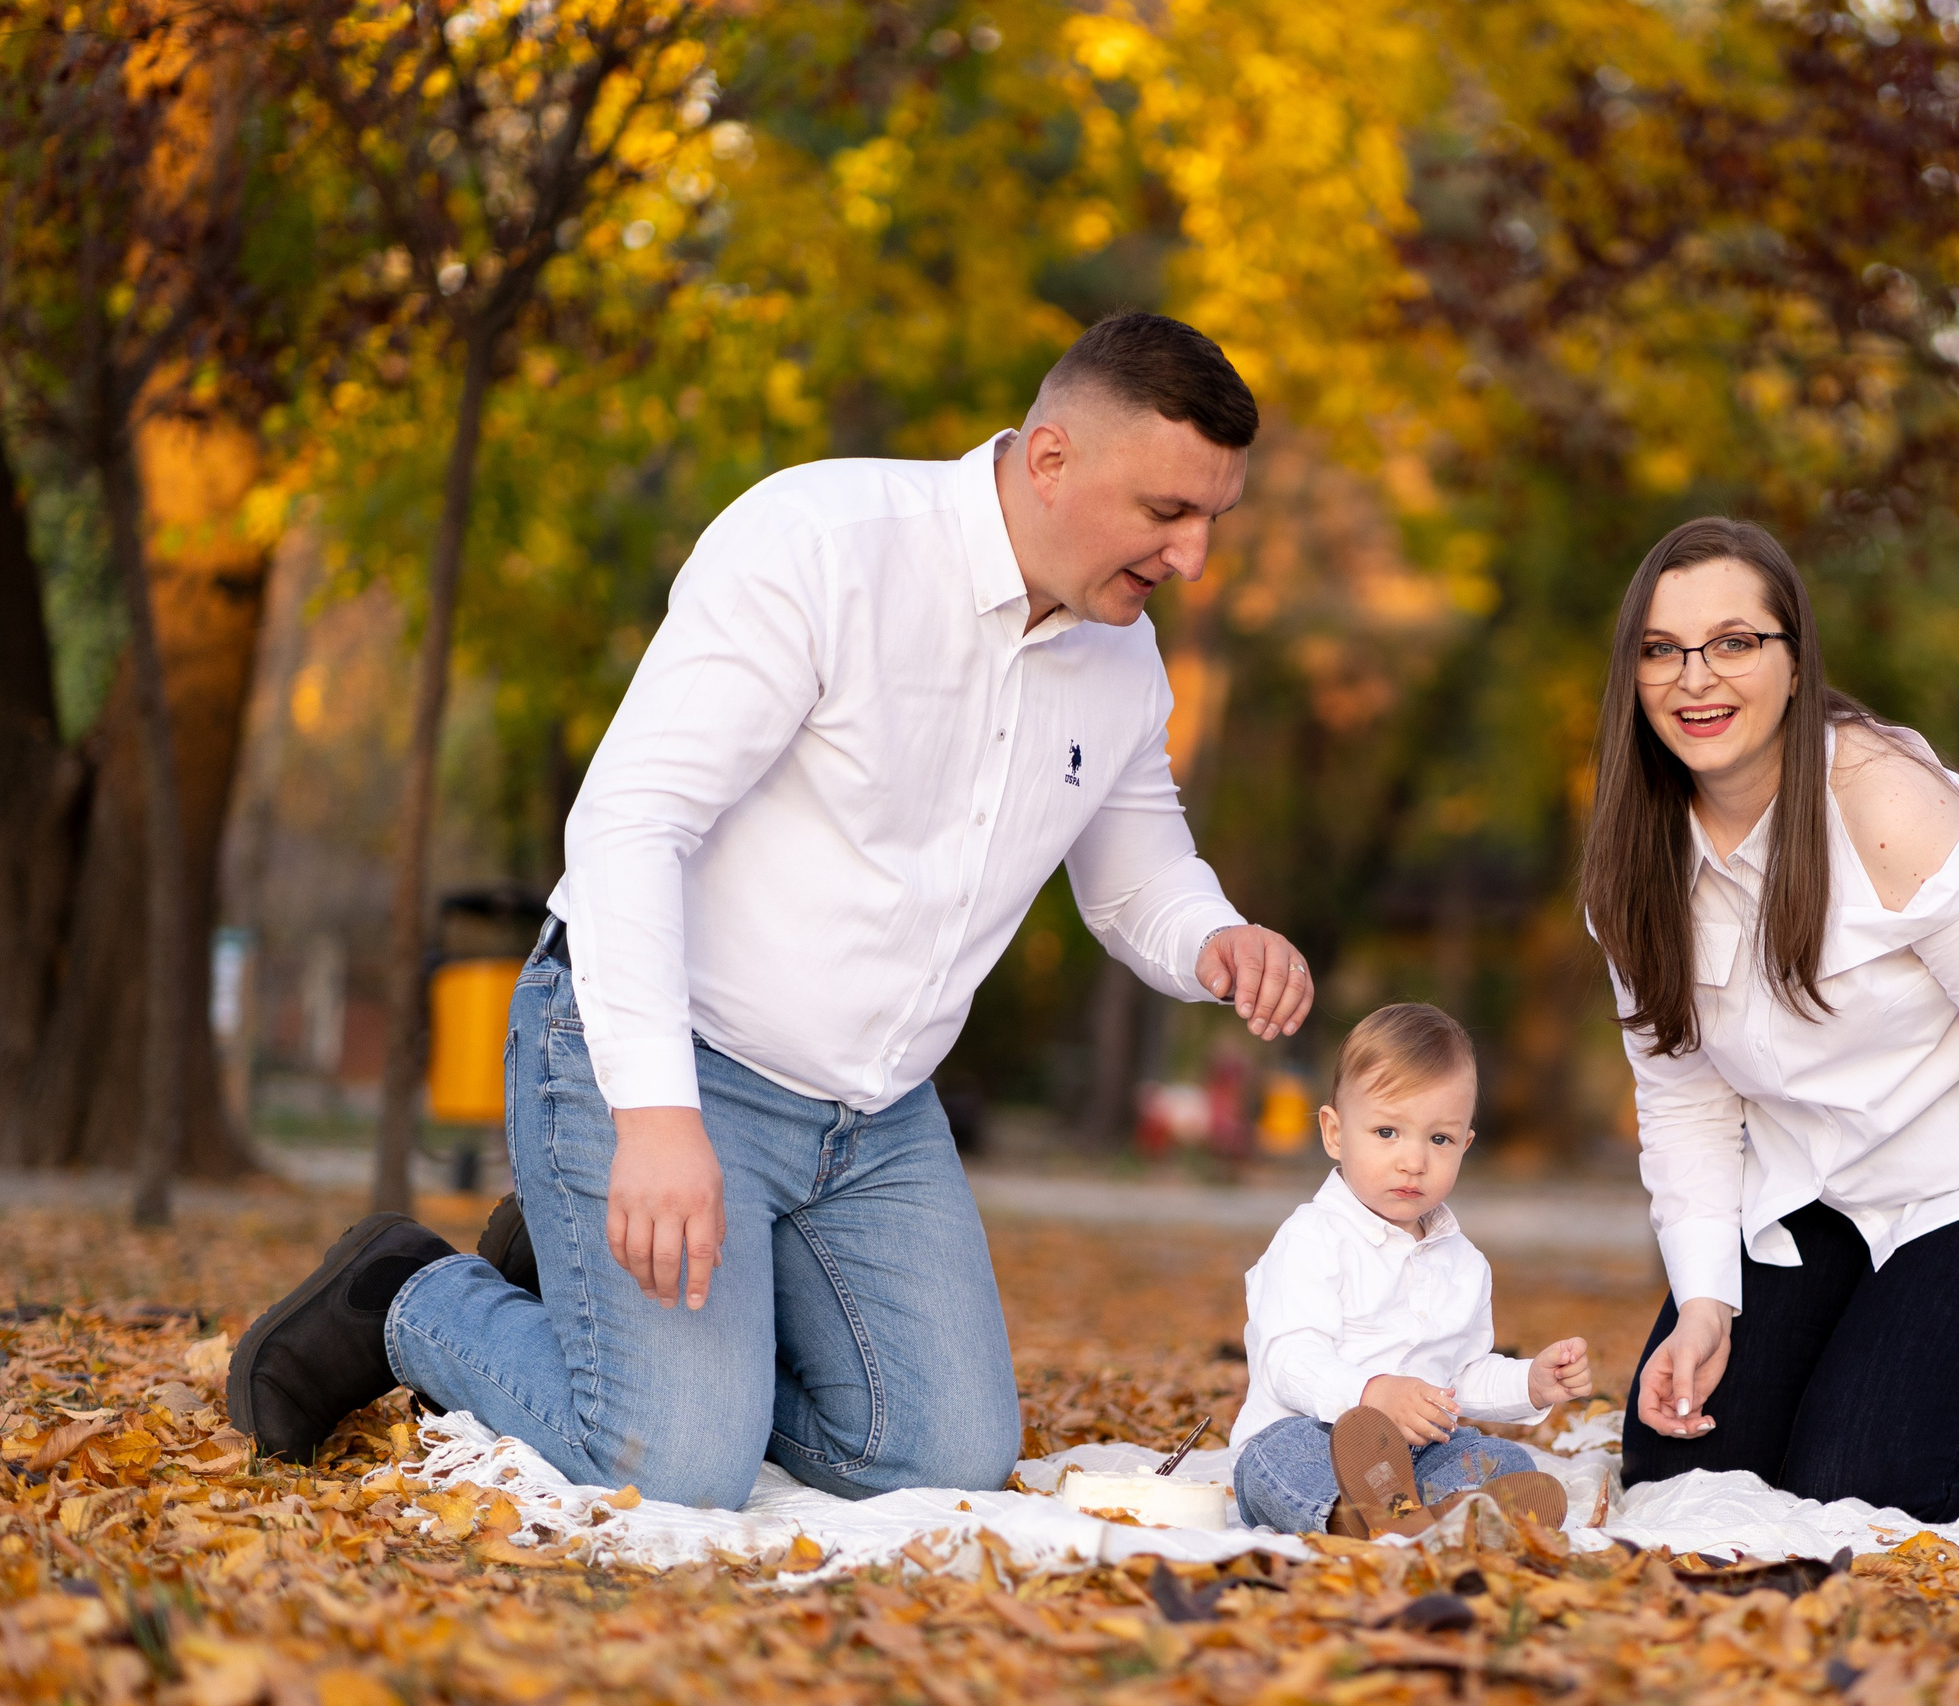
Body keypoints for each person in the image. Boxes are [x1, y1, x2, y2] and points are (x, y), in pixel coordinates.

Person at [229, 313, 1317, 1509]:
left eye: (1214, 518)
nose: (1195, 556)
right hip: (665, 1057)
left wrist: (1212, 937)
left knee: (940, 1457)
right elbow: (631, 825)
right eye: (1168, 512)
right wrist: (653, 1117)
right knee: (678, 1464)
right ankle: (410, 1296)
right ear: (1050, 459)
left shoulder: (1122, 661)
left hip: (875, 1119)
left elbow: (1135, 872)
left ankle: (612, 1302)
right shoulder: (821, 543)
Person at [1580, 517, 1959, 1524]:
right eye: (1661, 649)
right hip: (1811, 1197)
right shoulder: (1633, 866)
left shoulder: (1889, 807)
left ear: (1793, 658)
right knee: (1677, 1457)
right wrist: (1702, 1301)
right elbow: (1683, 1100)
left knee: (1871, 1482)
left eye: (1733, 641)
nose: (1696, 676)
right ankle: (1881, 1355)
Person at [1229, 1004, 1589, 1537]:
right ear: (1334, 1132)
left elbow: (1460, 1379)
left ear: (1464, 1145)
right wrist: (1371, 1393)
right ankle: (1354, 1517)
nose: (1413, 1160)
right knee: (1275, 1458)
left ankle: (1424, 1516)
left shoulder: (1464, 1264)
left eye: (1438, 1139)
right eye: (1386, 1132)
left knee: (1503, 1460)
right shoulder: (1313, 1238)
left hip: (1414, 1459)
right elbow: (1288, 1360)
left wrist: (1530, 1382)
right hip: (1313, 1437)